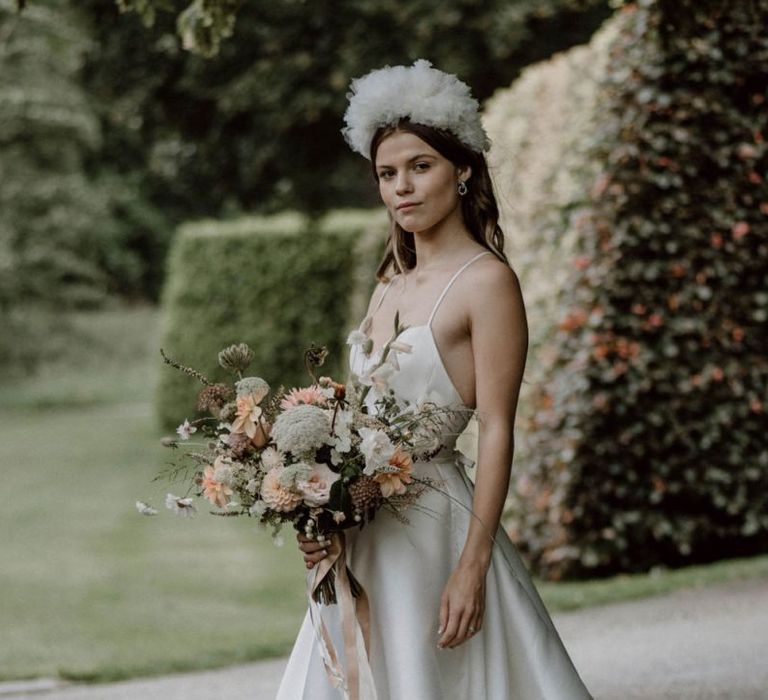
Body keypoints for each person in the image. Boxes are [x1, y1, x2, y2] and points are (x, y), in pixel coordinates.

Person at [275, 59, 593, 699]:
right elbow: (357, 426)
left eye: (421, 166)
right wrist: (325, 519)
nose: (403, 187)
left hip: (437, 534)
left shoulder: (486, 282)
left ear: (463, 169)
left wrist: (471, 567)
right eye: (388, 174)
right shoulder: (389, 283)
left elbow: (499, 428)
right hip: (370, 534)